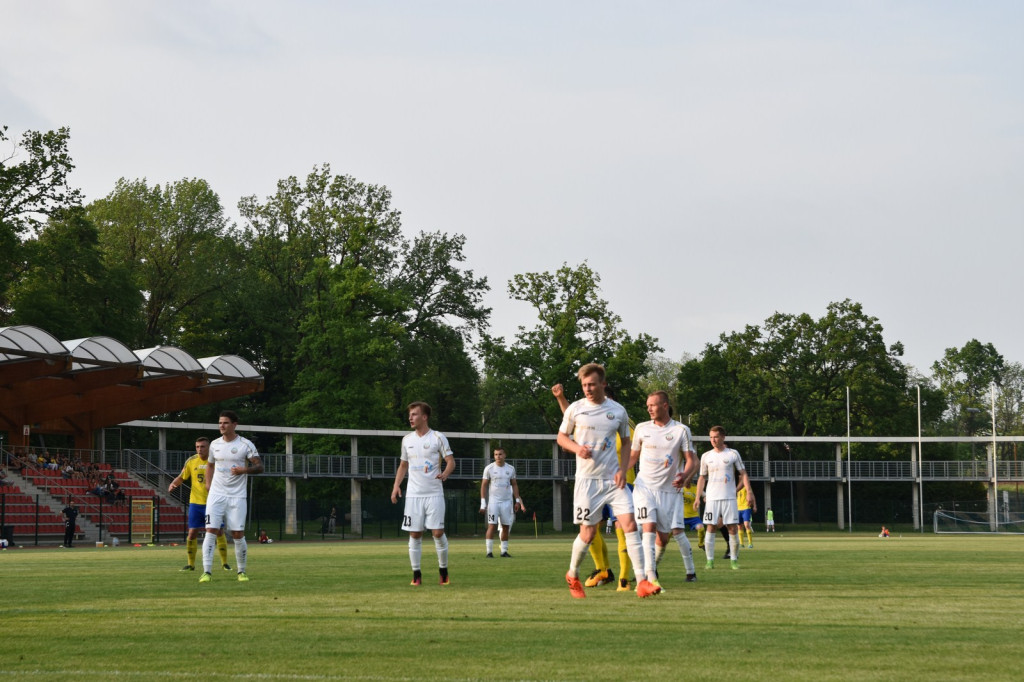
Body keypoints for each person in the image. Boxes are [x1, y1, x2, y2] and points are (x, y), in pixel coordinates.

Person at [557, 363, 657, 599]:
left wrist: (623, 469)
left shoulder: (618, 411)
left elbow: (627, 443)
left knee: (631, 525)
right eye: (584, 385)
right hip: (587, 481)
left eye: (592, 384)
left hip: (613, 480)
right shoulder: (575, 409)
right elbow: (561, 437)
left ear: (603, 384)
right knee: (588, 534)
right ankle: (572, 574)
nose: (588, 389)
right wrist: (576, 448)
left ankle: (641, 581)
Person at [553, 382, 637, 591]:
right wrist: (561, 399)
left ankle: (625, 580)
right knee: (590, 531)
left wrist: (625, 469)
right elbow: (574, 421)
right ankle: (603, 569)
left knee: (623, 529)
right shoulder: (587, 415)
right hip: (592, 481)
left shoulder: (622, 419)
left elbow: (635, 449)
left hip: (621, 481)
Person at [629, 390, 699, 586]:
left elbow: (691, 460)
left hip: (669, 491)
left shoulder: (681, 430)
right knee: (648, 526)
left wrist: (684, 476)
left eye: (653, 405)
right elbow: (633, 457)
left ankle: (653, 570)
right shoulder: (642, 429)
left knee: (664, 538)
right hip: (644, 487)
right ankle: (649, 577)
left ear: (665, 405)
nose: (649, 408)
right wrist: (618, 472)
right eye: (647, 405)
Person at [391, 401, 456, 587]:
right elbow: (403, 465)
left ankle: (443, 571)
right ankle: (416, 574)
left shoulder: (438, 437)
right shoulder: (407, 440)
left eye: (414, 414)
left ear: (424, 417)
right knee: (415, 534)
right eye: (410, 414)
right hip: (413, 495)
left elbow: (450, 461)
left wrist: (445, 474)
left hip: (434, 493)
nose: (410, 418)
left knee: (437, 532)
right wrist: (396, 486)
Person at [199, 410, 263, 583]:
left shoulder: (245, 444)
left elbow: (259, 467)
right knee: (210, 530)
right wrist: (208, 484)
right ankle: (206, 572)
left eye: (225, 422)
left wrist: (244, 469)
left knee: (237, 533)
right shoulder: (214, 444)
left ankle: (241, 571)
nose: (222, 425)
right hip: (217, 494)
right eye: (220, 422)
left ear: (234, 424)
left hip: (237, 496)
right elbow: (210, 465)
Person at [693, 425, 755, 570]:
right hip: (712, 498)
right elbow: (702, 478)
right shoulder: (706, 456)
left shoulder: (733, 454)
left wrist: (749, 492)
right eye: (711, 437)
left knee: (732, 528)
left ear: (723, 437)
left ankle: (734, 560)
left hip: (729, 498)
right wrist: (698, 497)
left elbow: (743, 474)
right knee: (711, 527)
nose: (713, 440)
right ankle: (710, 561)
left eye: (715, 437)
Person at [167, 436, 230, 573]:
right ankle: (191, 564)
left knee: (218, 531)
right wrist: (173, 484)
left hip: (213, 503)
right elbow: (182, 477)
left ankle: (225, 563)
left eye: (202, 447)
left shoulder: (216, 461)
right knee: (192, 532)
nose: (199, 449)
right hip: (196, 503)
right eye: (197, 447)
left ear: (209, 448)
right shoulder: (191, 461)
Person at [480, 447, 525, 558]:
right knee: (492, 526)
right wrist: (483, 503)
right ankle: (489, 552)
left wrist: (517, 501)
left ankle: (503, 551)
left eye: (500, 454)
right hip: (494, 502)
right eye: (495, 454)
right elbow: (484, 485)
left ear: (505, 455)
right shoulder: (489, 468)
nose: (498, 456)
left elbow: (514, 484)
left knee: (505, 526)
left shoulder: (510, 468)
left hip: (507, 502)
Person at [737, 482, 757, 548]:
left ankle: (750, 543)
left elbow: (752, 495)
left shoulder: (747, 486)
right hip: (738, 508)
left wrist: (754, 506)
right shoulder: (736, 486)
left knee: (746, 525)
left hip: (746, 508)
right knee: (739, 526)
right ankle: (741, 543)